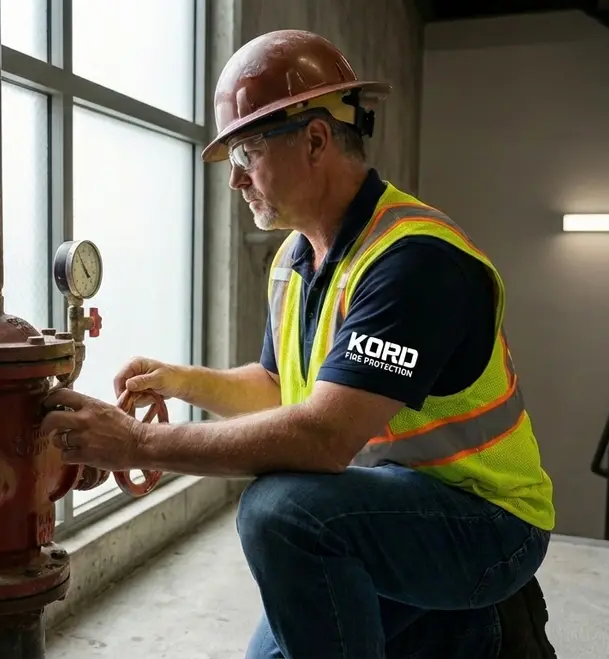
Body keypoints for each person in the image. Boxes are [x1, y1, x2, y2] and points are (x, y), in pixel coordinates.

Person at [40, 28, 558, 659]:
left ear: (315, 140)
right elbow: (279, 389)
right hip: (389, 505)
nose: (235, 180)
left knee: (282, 512)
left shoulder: (414, 262)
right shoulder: (295, 258)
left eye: (247, 152)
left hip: (486, 521)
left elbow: (323, 438)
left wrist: (137, 444)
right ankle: (461, 629)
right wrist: (178, 381)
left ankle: (481, 613)